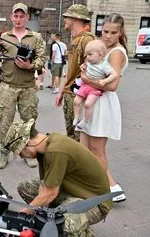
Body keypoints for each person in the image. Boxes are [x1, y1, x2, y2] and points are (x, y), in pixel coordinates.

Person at [3, 119, 112, 236]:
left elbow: (50, 193)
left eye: (20, 152)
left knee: (65, 224)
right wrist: (41, 216)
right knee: (26, 188)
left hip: (94, 201)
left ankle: (81, 231)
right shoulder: (44, 147)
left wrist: (21, 215)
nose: (21, 156)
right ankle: (54, 219)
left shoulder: (56, 151)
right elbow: (44, 185)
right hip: (72, 191)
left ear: (27, 143)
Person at [0, 3, 46, 169]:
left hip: (28, 87)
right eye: (15, 16)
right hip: (7, 87)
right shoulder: (4, 37)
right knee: (5, 122)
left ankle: (30, 152)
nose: (18, 19)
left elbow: (41, 59)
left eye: (21, 16)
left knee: (29, 122)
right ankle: (4, 153)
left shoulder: (35, 38)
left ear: (27, 18)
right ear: (11, 17)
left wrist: (29, 67)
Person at [77, 13, 128, 203]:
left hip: (103, 103)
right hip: (94, 101)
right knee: (84, 146)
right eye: (105, 31)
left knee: (97, 150)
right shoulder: (103, 48)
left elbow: (112, 85)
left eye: (113, 32)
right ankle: (90, 184)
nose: (107, 36)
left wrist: (87, 80)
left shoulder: (116, 52)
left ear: (120, 32)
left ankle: (112, 188)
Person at [55, 4, 95, 141]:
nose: (64, 19)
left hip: (78, 95)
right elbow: (71, 70)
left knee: (80, 138)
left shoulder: (87, 40)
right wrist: (62, 91)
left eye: (67, 17)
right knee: (71, 136)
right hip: (69, 94)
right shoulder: (75, 39)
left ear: (76, 19)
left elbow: (92, 70)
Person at [73, 40, 117, 129]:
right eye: (87, 55)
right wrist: (83, 67)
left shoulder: (104, 65)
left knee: (88, 104)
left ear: (100, 55)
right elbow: (84, 66)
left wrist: (105, 81)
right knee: (76, 101)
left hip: (95, 89)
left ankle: (85, 121)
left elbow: (114, 75)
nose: (87, 57)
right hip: (85, 85)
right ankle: (76, 117)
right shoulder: (89, 62)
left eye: (90, 54)